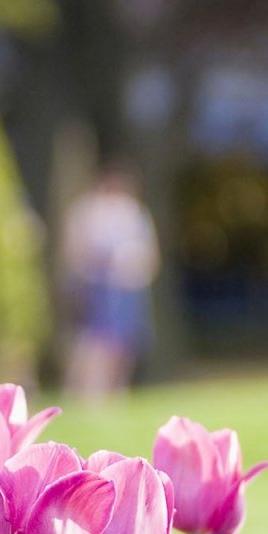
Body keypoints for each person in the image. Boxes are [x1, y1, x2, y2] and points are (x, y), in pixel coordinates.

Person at [60, 165, 160, 398]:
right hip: (96, 288)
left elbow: (149, 255)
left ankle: (116, 391)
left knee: (123, 344)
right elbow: (76, 250)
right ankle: (85, 392)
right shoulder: (88, 210)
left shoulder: (135, 212)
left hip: (126, 288)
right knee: (93, 344)